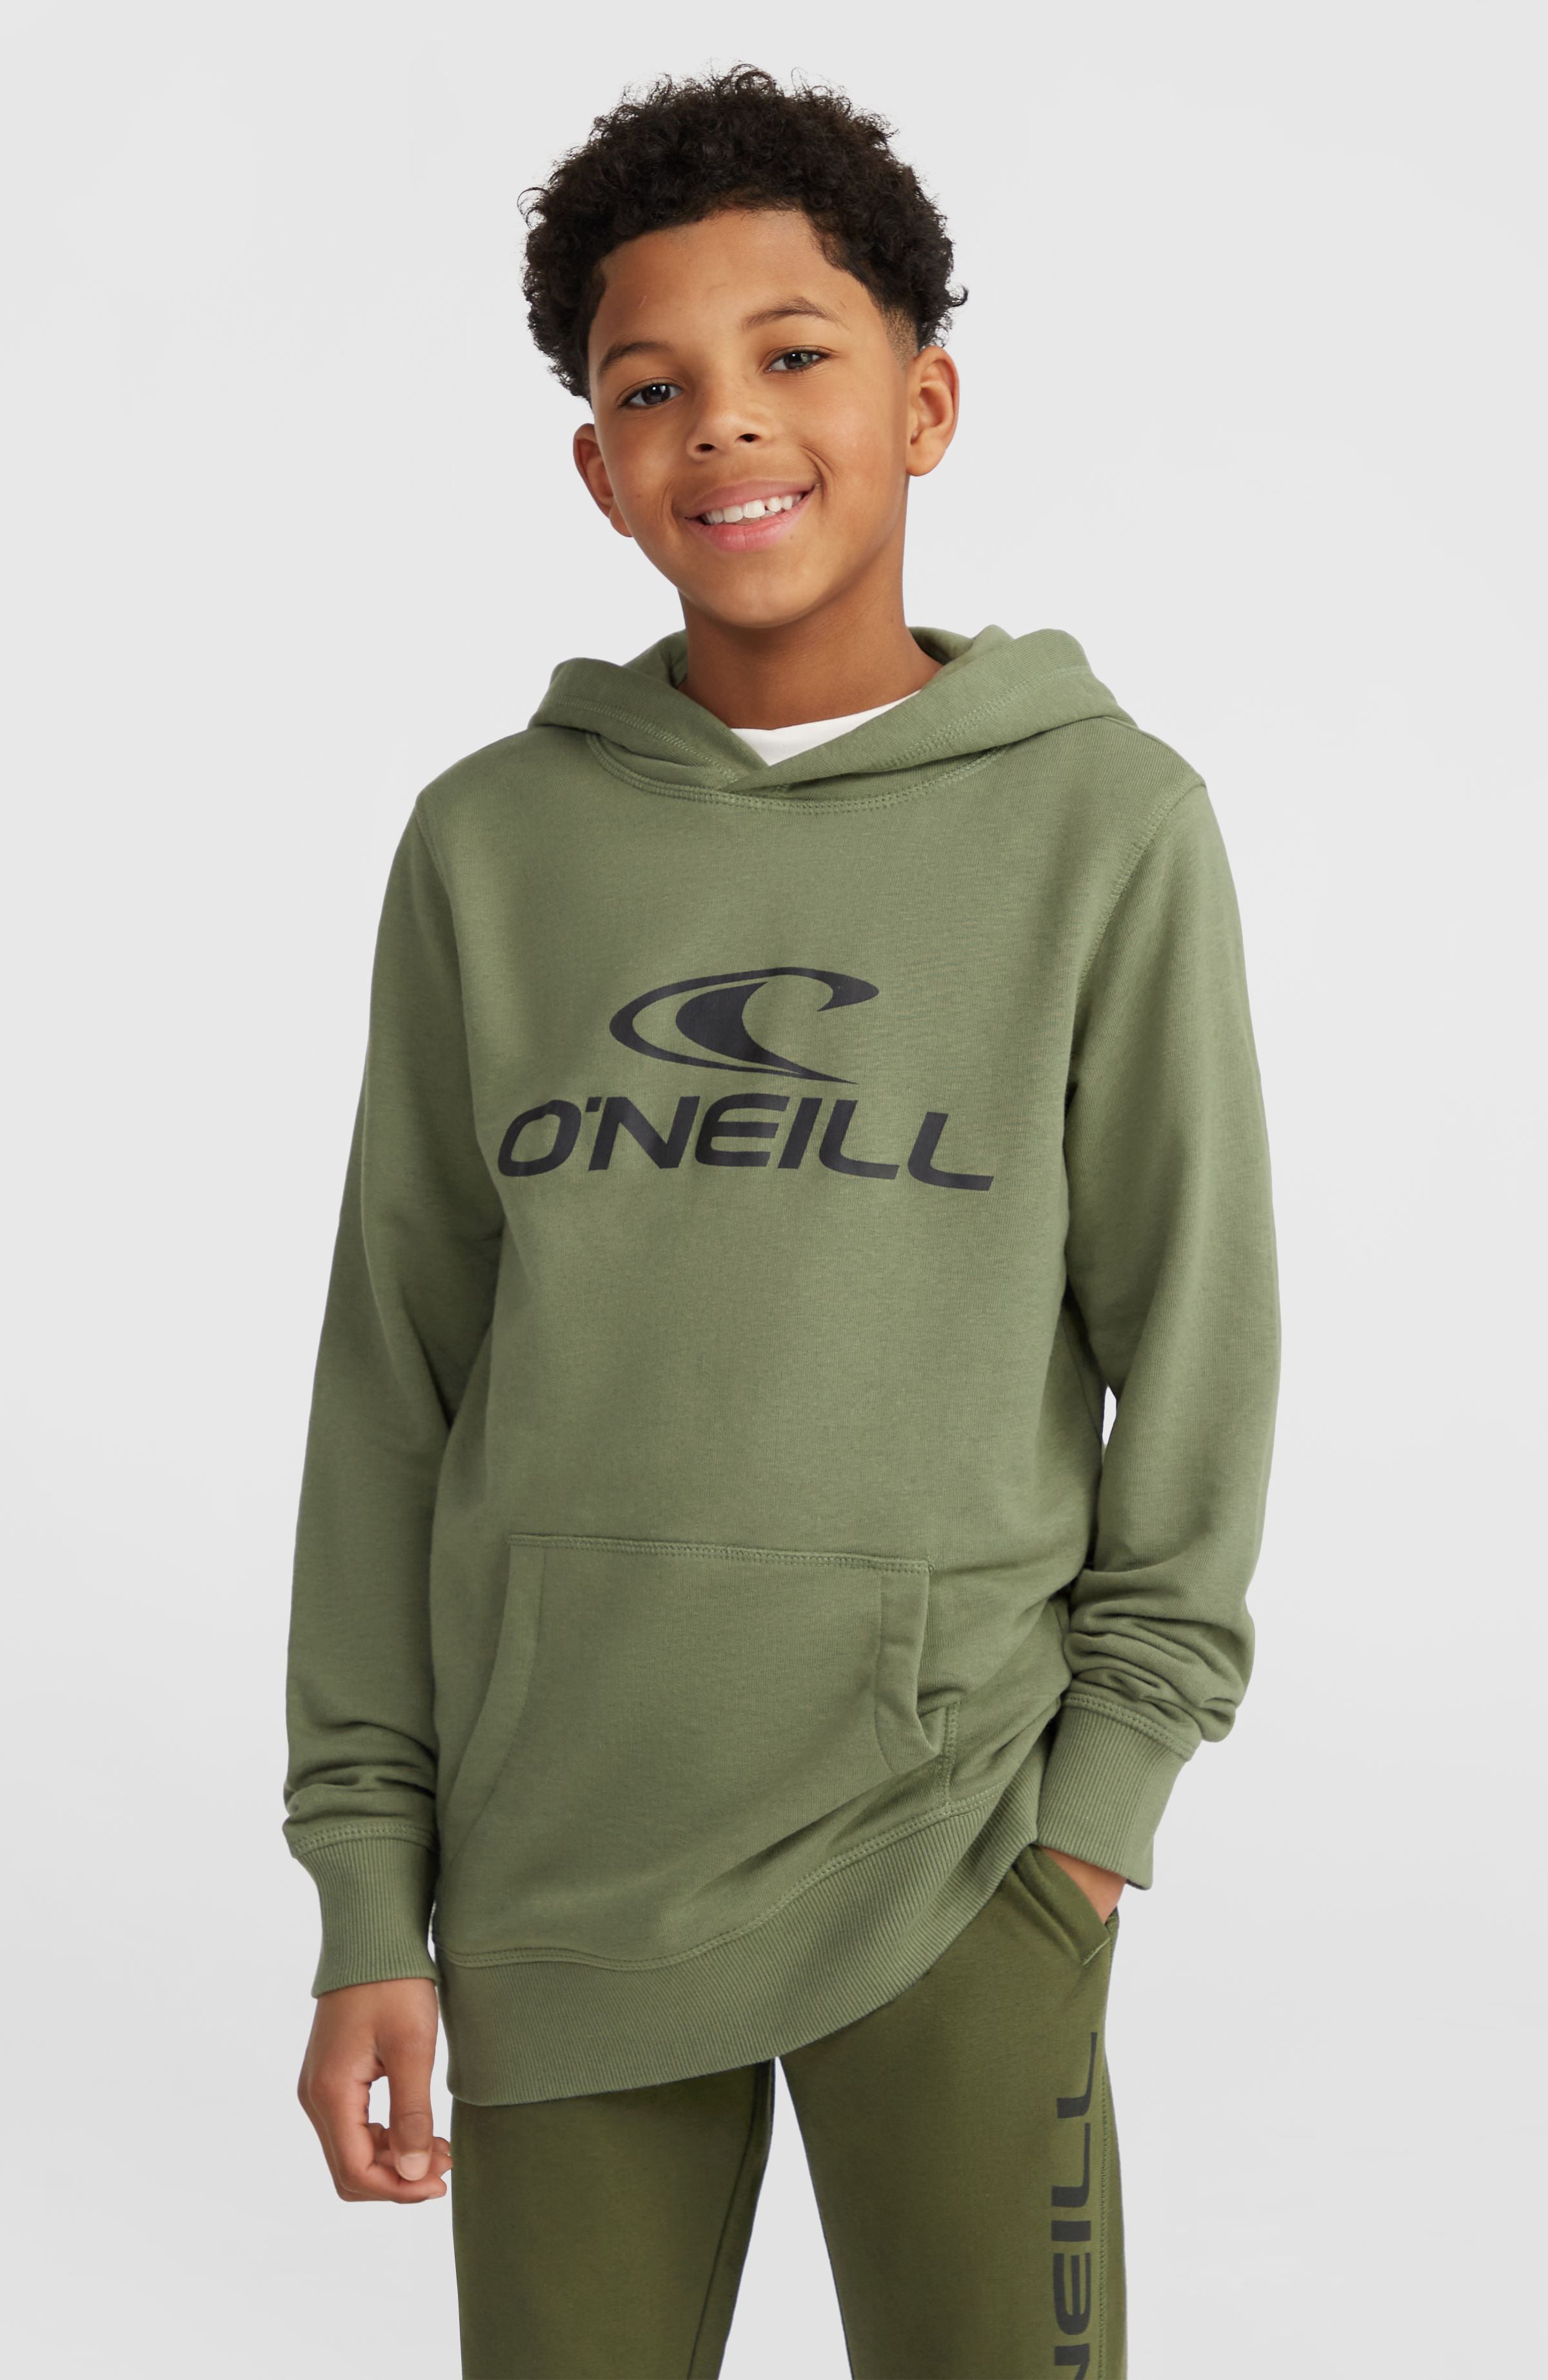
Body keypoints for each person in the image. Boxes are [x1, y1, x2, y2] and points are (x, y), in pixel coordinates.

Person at [283, 63, 1280, 2379]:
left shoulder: (1107, 829)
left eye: (793, 353)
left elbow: (1197, 1342)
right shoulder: (493, 847)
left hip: (958, 1854)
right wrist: (367, 1891)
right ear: (596, 464)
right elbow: (392, 1379)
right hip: (556, 1878)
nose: (723, 420)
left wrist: (1094, 1822)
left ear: (924, 405)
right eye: (652, 386)